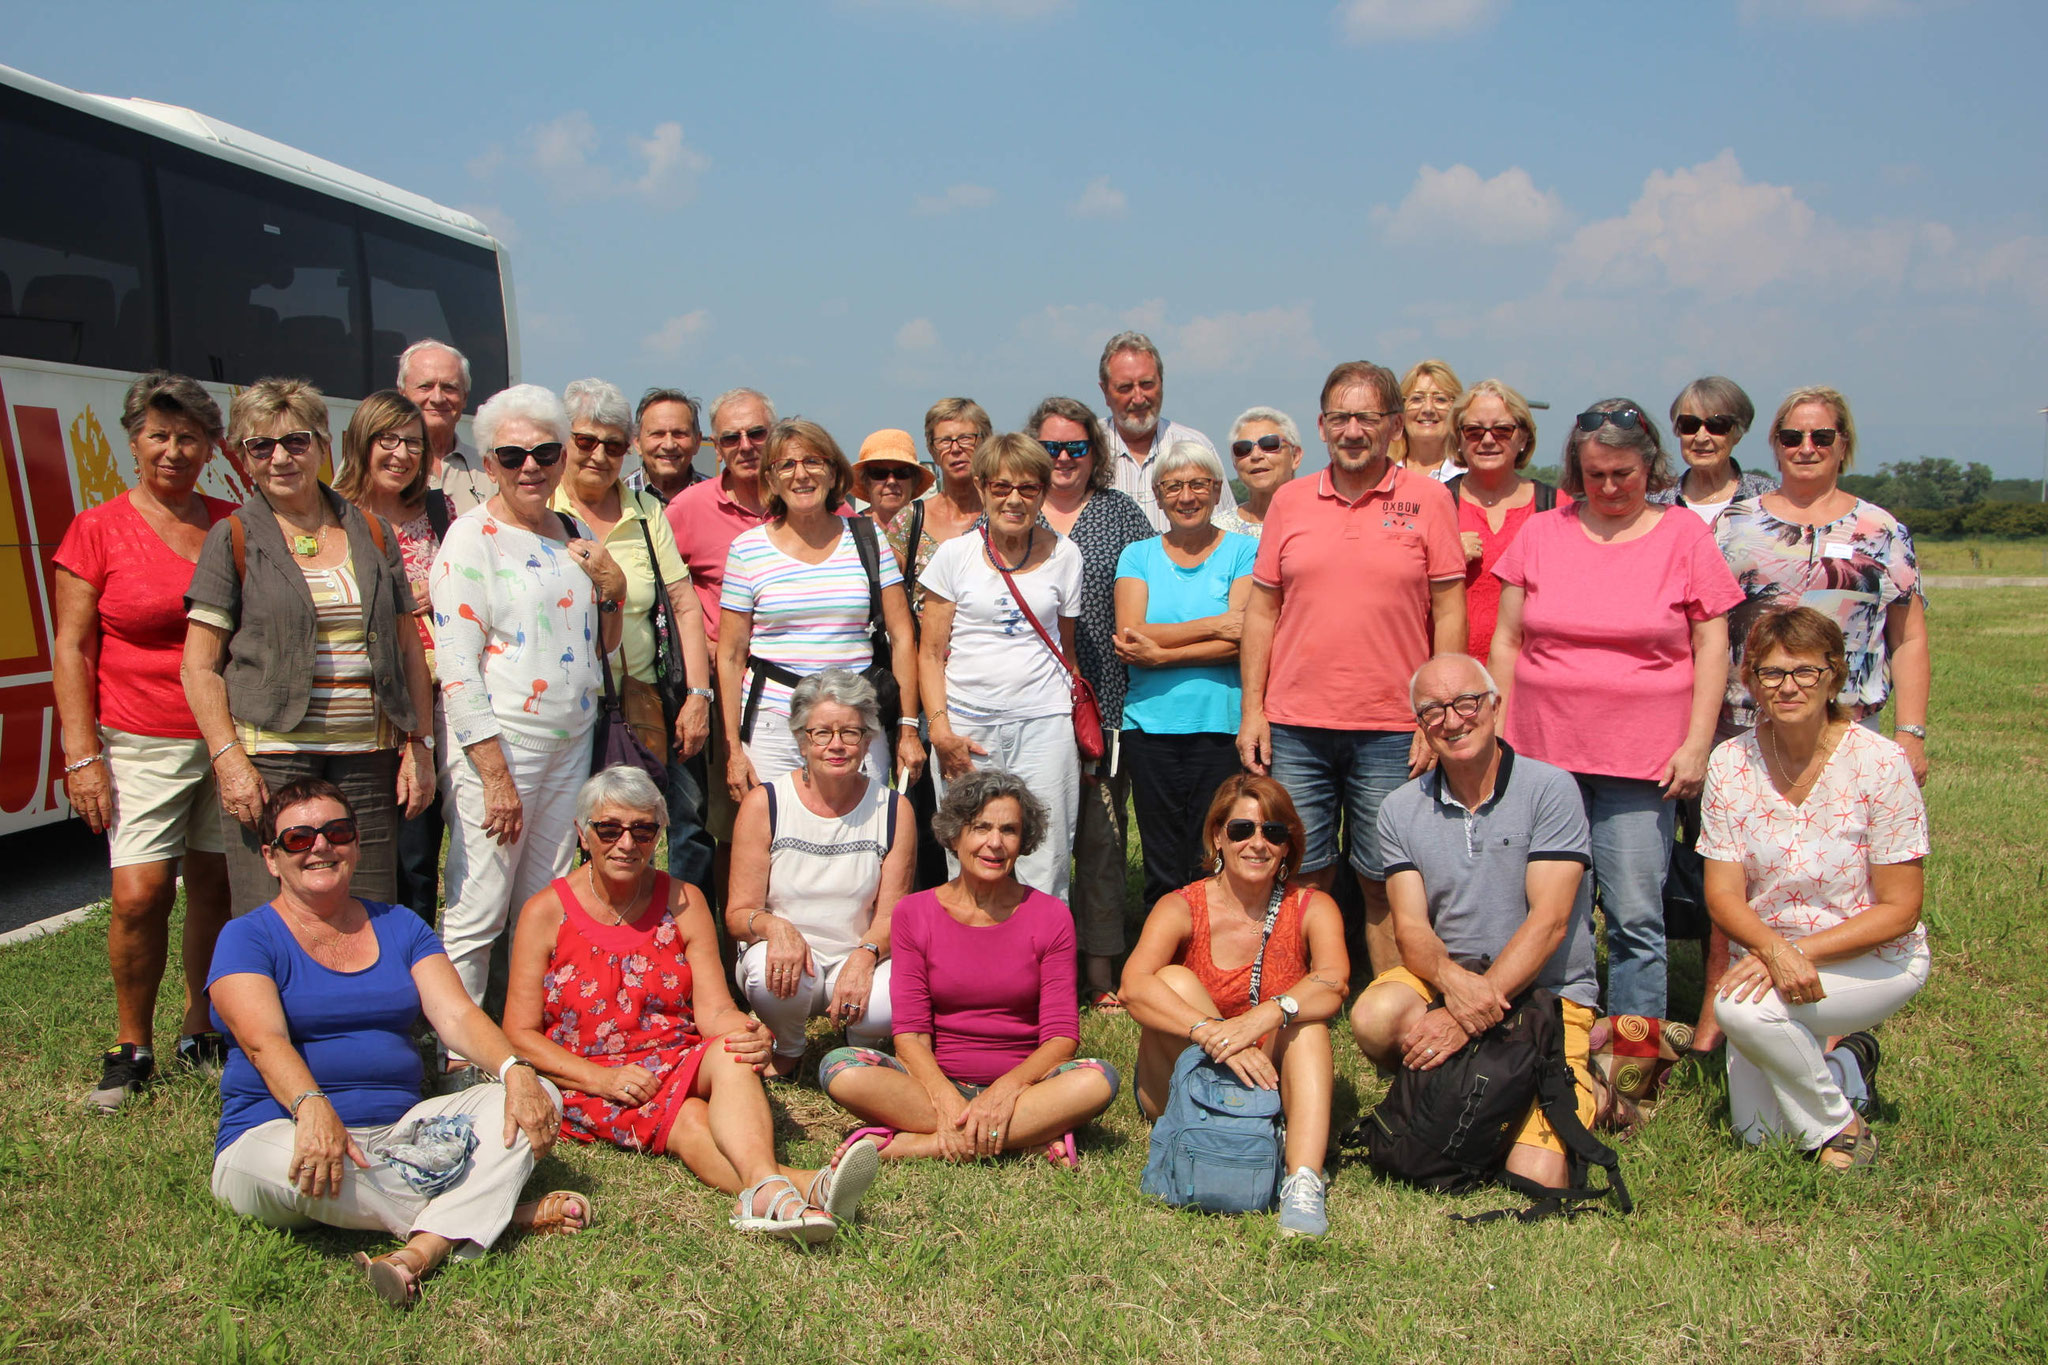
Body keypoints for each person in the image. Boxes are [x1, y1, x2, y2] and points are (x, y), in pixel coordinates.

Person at [206, 780, 583, 1310]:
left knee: (537, 1094)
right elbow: (262, 1040)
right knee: (294, 1166)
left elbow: (455, 1015)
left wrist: (514, 1070)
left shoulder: (401, 926)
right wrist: (310, 1106)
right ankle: (496, 1213)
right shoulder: (246, 936)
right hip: (277, 1133)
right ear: (271, 858)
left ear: (356, 844)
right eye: (298, 839)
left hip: (400, 1135)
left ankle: (422, 1248)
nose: (320, 846)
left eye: (337, 832)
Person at [501, 766, 882, 1242]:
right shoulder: (545, 912)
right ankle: (802, 1187)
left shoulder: (684, 900)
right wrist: (601, 1078)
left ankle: (765, 1186)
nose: (626, 843)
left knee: (734, 1051)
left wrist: (744, 1028)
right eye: (609, 829)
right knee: (689, 1123)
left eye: (643, 829)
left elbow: (714, 1011)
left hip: (675, 1057)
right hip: (591, 1075)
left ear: (659, 834)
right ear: (582, 833)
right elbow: (519, 1033)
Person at [1488, 398, 1744, 1021]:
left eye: (1623, 474)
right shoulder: (1542, 532)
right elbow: (1507, 639)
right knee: (1558, 910)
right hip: (1545, 757)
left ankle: (1634, 1057)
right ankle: (1563, 1042)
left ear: (1649, 467)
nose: (1609, 487)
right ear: (1576, 471)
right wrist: (1497, 732)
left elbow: (1713, 645)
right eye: (1595, 474)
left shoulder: (1685, 535)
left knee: (1634, 913)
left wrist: (1696, 742)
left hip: (1644, 761)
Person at [1238, 360, 1466, 974]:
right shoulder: (1289, 501)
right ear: (1320, 426)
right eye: (1340, 417)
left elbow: (1448, 611)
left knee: (1386, 873)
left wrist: (1437, 716)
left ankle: (1391, 997)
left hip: (1393, 724)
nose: (1353, 430)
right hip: (1296, 722)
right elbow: (1262, 613)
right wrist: (1252, 712)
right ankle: (1306, 990)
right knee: (1302, 868)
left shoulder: (1429, 500)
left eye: (1367, 417)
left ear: (1393, 425)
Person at [1348, 656, 1602, 1192]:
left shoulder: (1551, 789)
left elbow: (1551, 921)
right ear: (1420, 725)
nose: (1453, 720)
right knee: (1374, 1015)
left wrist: (1470, 1015)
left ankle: (1597, 1089)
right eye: (1433, 711)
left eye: (1466, 703)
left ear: (1494, 707)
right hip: (1452, 981)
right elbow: (1411, 930)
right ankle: (1452, 1085)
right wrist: (1450, 984)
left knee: (1533, 1177)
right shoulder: (1399, 808)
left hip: (1547, 993)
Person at [54, 371, 237, 1111]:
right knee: (139, 893)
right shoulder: (96, 528)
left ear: (209, 446)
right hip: (138, 739)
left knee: (218, 887)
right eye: (159, 434)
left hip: (226, 736)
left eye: (189, 435)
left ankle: (202, 1025)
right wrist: (81, 754)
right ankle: (133, 1045)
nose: (173, 449)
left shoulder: (232, 523)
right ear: (133, 442)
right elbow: (72, 648)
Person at [184, 378, 434, 916]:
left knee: (365, 908)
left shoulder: (371, 530)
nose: (281, 457)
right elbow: (199, 667)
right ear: (243, 457)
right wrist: (229, 760)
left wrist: (419, 744)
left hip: (368, 756)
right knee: (271, 912)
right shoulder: (231, 537)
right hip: (272, 758)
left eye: (296, 442)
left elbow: (407, 645)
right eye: (261, 446)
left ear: (323, 445)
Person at [1701, 608, 1929, 1170]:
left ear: (1834, 676)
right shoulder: (1731, 763)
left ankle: (1841, 1127)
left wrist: (1795, 953)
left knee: (1742, 1012)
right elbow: (1723, 895)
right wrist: (1774, 949)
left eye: (1806, 671)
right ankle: (1847, 1071)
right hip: (1770, 954)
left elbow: (1901, 909)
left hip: (1873, 959)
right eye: (1771, 673)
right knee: (1761, 1138)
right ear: (1750, 681)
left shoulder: (1881, 763)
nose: (1788, 686)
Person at [428, 383, 626, 1021]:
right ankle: (458, 1050)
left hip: (570, 746)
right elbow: (456, 668)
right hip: (503, 748)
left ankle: (525, 1032)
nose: (530, 467)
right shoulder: (470, 538)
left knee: (543, 902)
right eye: (512, 457)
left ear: (563, 455)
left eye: (544, 451)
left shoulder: (570, 532)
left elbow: (600, 642)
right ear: (488, 465)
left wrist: (614, 588)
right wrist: (494, 777)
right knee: (480, 902)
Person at [819, 770, 1120, 1165]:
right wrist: (944, 1097)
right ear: (955, 834)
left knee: (1098, 1080)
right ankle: (1025, 1137)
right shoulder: (914, 913)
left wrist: (1006, 1090)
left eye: (1009, 830)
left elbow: (1062, 1037)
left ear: (1023, 841)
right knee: (840, 1067)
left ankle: (920, 1144)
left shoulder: (1050, 915)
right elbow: (910, 1034)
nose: (994, 843)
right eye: (981, 828)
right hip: (931, 1084)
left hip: (1024, 1088)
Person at [1120, 775, 1349, 1237]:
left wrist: (1264, 1016)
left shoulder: (1313, 906)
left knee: (1307, 1023)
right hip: (1189, 1080)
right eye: (1243, 830)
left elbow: (1335, 982)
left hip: (1267, 1077)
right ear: (1218, 837)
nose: (1257, 843)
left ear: (1288, 846)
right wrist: (1214, 1033)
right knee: (1173, 978)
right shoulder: (1181, 905)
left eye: (1274, 832)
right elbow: (1133, 986)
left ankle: (1302, 1179)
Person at [1715, 386, 1929, 783]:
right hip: (1744, 727)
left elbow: (1909, 639)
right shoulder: (1731, 526)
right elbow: (1704, 631)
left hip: (1848, 728)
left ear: (1843, 444)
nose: (1806, 448)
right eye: (1791, 437)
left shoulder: (1882, 531)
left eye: (1822, 437)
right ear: (1776, 446)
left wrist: (1910, 734)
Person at [551, 379, 714, 892]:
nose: (600, 455)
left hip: (639, 701)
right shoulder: (538, 506)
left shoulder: (646, 513)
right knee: (565, 838)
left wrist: (697, 696)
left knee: (645, 828)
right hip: (556, 704)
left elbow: (685, 605)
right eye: (585, 441)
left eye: (614, 445)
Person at [715, 418, 922, 802]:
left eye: (813, 461)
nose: (801, 474)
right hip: (775, 723)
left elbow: (902, 635)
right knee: (779, 837)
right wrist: (732, 747)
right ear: (772, 479)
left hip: (857, 720)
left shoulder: (868, 538)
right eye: (786, 465)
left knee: (865, 836)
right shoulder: (747, 549)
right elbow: (730, 654)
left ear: (832, 472)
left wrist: (908, 729)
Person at [918, 434, 1086, 901]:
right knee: (968, 848)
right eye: (1001, 487)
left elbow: (1066, 651)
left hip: (1043, 724)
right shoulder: (954, 555)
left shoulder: (1066, 555)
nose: (1014, 499)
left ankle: (1045, 968)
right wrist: (941, 732)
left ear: (1043, 491)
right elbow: (929, 653)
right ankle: (970, 968)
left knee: (1046, 855)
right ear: (981, 486)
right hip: (969, 727)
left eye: (1028, 488)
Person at [724, 671, 915, 1079]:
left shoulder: (894, 809)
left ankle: (861, 1049)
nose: (836, 745)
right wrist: (776, 928)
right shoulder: (766, 804)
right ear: (800, 740)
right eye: (822, 733)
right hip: (788, 961)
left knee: (897, 995)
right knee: (764, 970)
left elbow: (892, 918)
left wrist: (865, 957)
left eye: (850, 732)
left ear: (867, 741)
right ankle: (789, 1046)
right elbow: (738, 914)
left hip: (861, 954)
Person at [1029, 395, 1153, 1005]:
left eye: (1076, 447)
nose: (1063, 458)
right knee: (1036, 837)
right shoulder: (1012, 509)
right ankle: (1034, 963)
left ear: (1093, 453)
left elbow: (1153, 582)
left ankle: (1100, 968)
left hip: (1104, 705)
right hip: (1028, 707)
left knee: (1103, 838)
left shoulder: (1120, 513)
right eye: (1051, 447)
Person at [1114, 442, 1257, 910]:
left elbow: (1244, 642)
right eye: (1173, 486)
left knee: (1213, 850)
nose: (1187, 496)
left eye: (1199, 484)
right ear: (1158, 495)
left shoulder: (1244, 551)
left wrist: (1165, 653)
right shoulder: (1137, 555)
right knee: (1161, 855)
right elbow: (1132, 635)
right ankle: (1160, 958)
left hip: (1220, 726)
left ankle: (1211, 954)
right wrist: (1215, 625)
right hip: (1150, 729)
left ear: (1218, 491)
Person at [334, 390, 447, 921]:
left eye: (414, 444)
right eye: (388, 440)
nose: (401, 454)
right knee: (356, 851)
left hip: (432, 701)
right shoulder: (330, 515)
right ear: (362, 441)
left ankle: (417, 978)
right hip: (357, 703)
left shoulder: (436, 512)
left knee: (418, 854)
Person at [665, 387, 777, 855]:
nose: (746, 446)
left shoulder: (808, 498)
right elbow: (660, 591)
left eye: (757, 433)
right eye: (731, 438)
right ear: (714, 444)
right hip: (727, 688)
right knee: (731, 826)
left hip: (797, 687)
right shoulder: (689, 508)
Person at [1445, 379, 1566, 661]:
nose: (1488, 440)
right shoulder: (1435, 503)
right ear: (1459, 439)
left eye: (1502, 430)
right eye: (1474, 431)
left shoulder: (1557, 507)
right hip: (1454, 682)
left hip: (1533, 675)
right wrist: (1445, 557)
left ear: (1523, 438)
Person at [1096, 331, 1237, 530]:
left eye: (1146, 385)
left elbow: (1225, 525)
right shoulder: (1084, 452)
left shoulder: (1197, 446)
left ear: (1161, 383)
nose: (1138, 398)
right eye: (1125, 388)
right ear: (1105, 392)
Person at [888, 398, 990, 616]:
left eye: (965, 439)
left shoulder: (1006, 514)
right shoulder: (909, 521)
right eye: (944, 441)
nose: (955, 449)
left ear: (985, 442)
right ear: (932, 451)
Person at [1650, 376, 1776, 524]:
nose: (1701, 438)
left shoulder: (1768, 498)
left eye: (1716, 426)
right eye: (1689, 425)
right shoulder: (1655, 504)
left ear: (1738, 433)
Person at [399, 340, 490, 514]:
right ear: (402, 394)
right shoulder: (379, 465)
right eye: (425, 387)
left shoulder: (490, 469)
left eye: (449, 387)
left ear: (465, 397)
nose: (438, 398)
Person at [1213, 406, 1303, 539]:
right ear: (1234, 464)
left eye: (1269, 445)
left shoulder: (1322, 520)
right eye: (1243, 449)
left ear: (1295, 456)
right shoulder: (1216, 531)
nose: (1255, 455)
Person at [853, 428, 933, 537]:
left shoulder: (931, 531)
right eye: (880, 473)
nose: (891, 481)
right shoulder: (849, 533)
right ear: (866, 481)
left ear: (914, 481)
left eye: (901, 472)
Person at [631, 387, 704, 503]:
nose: (669, 445)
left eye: (679, 433)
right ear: (637, 443)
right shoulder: (613, 498)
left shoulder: (719, 497)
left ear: (697, 441)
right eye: (658, 434)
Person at [1395, 359, 1463, 483]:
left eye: (1440, 399)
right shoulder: (1383, 476)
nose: (1428, 409)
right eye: (1417, 399)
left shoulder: (1468, 476)